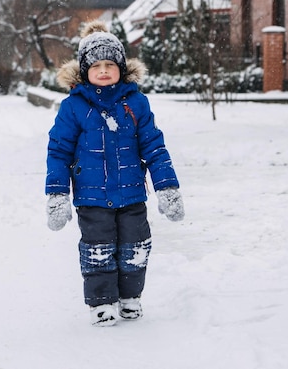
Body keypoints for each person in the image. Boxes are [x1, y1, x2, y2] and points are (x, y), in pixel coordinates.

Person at [45, 20, 184, 327]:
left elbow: (154, 147)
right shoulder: (74, 107)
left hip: (132, 193)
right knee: (98, 250)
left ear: (122, 67)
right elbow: (58, 152)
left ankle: (130, 298)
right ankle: (102, 302)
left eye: (111, 64)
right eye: (97, 66)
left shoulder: (136, 103)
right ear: (84, 71)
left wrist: (167, 187)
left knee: (136, 247)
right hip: (92, 197)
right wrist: (57, 195)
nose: (104, 70)